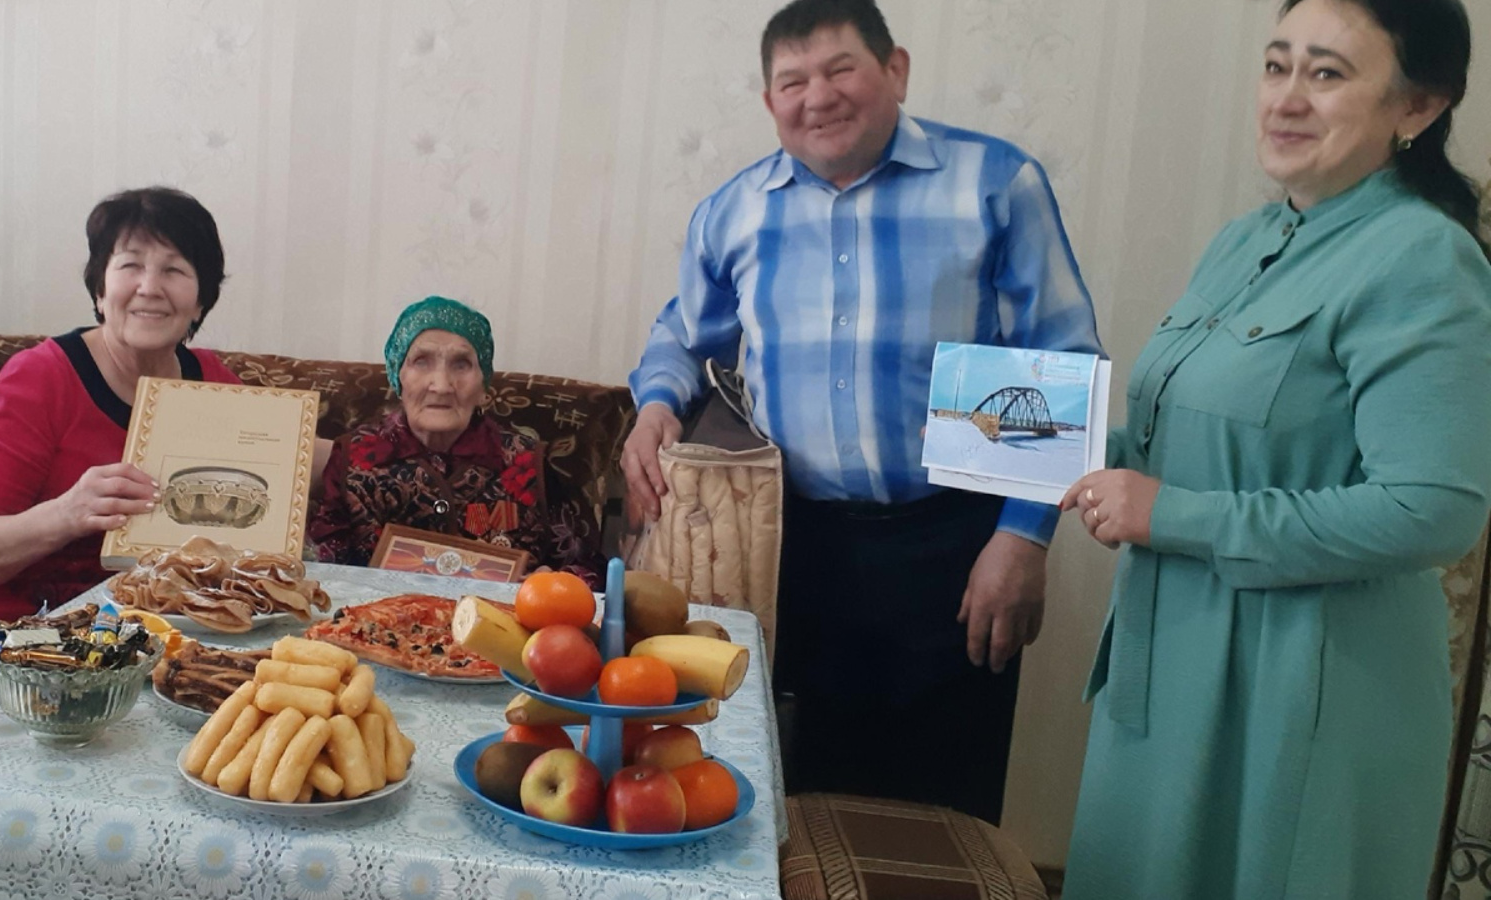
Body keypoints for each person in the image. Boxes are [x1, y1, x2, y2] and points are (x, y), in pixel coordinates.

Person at [623, 0, 1102, 820]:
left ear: (896, 70)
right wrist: (656, 404)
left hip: (957, 538)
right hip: (795, 542)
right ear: (769, 100)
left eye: (840, 69)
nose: (818, 96)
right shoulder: (736, 211)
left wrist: (1024, 537)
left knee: (945, 805)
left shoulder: (993, 184)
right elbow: (682, 333)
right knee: (799, 792)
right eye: (793, 81)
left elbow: (1061, 358)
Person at [1058, 1, 1491, 897]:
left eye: (1326, 74)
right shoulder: (1247, 239)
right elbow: (1200, 440)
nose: (1287, 98)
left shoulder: (1422, 258)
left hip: (1301, 686)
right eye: (1276, 65)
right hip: (1170, 657)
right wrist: (1054, 445)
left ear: (1418, 106)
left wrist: (1170, 514)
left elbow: (1432, 510)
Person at [0, 186, 243, 680]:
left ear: (200, 301)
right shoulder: (38, 380)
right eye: (130, 265)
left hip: (149, 630)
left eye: (174, 270)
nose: (150, 287)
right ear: (100, 290)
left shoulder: (212, 382)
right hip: (16, 626)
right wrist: (68, 513)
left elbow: (296, 456)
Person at [308, 296, 605, 587]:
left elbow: (591, 569)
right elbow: (323, 570)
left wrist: (555, 581)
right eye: (421, 362)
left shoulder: (527, 462)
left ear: (483, 385)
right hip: (376, 617)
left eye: (461, 364)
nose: (441, 386)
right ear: (398, 377)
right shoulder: (352, 459)